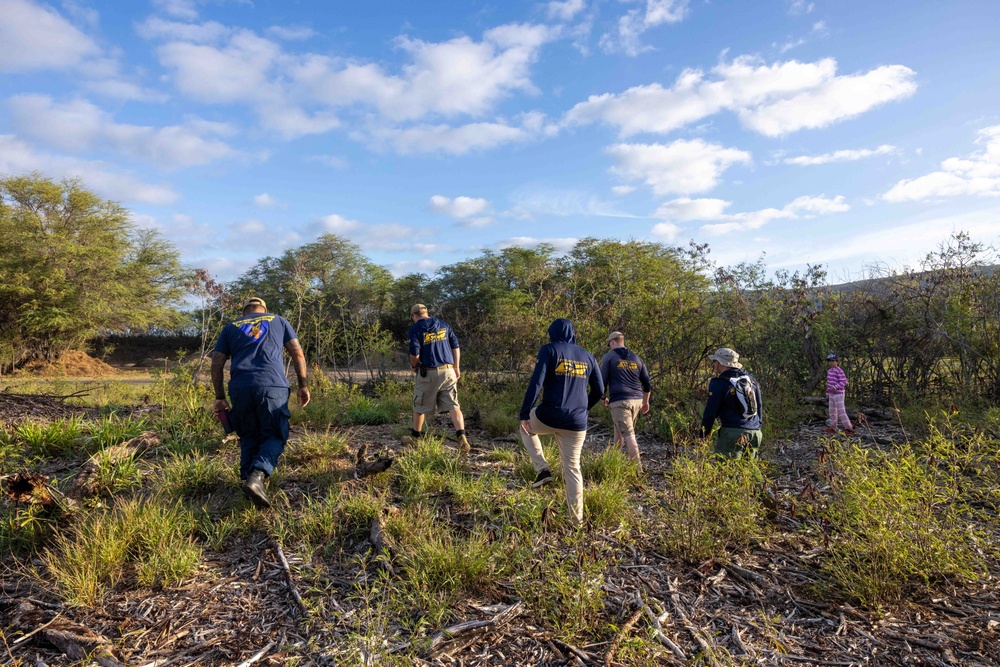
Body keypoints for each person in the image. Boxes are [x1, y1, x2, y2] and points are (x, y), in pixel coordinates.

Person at [211, 297, 310, 508]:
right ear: (264, 309)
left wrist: (220, 396)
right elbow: (297, 353)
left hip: (240, 388)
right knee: (275, 434)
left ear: (244, 311)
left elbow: (217, 362)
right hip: (272, 386)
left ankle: (248, 484)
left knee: (248, 435)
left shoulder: (231, 327)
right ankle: (257, 475)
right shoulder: (279, 321)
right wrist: (303, 385)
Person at [519, 318, 604, 525]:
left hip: (548, 415)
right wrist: (583, 409)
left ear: (553, 332)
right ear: (572, 333)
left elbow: (537, 382)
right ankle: (576, 520)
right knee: (573, 468)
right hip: (576, 423)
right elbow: (600, 390)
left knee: (527, 428)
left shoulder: (549, 350)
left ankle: (542, 469)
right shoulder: (588, 356)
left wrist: (524, 412)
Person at [404, 303, 470, 455]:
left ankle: (416, 438)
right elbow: (455, 346)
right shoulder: (443, 324)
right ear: (426, 313)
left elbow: (415, 353)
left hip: (429, 372)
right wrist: (456, 367)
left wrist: (414, 366)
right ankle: (461, 436)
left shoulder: (415, 329)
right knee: (453, 405)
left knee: (419, 405)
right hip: (448, 370)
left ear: (414, 316)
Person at [599, 331, 651, 469]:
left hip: (620, 401)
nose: (609, 346)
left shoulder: (609, 357)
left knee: (629, 435)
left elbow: (601, 381)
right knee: (620, 432)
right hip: (637, 401)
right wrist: (646, 401)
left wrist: (603, 397)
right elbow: (647, 383)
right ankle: (611, 463)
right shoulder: (636, 358)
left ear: (613, 342)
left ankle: (637, 469)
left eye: (609, 344)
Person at [701, 347, 763, 458]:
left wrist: (704, 433)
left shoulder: (719, 383)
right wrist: (757, 426)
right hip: (755, 432)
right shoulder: (751, 380)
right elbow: (759, 406)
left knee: (727, 470)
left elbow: (710, 411)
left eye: (715, 361)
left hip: (732, 433)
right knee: (750, 472)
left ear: (720, 363)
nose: (714, 364)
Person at [824, 353, 853, 434]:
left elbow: (844, 381)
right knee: (832, 411)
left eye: (832, 361)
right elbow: (829, 383)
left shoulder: (839, 370)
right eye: (829, 361)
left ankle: (849, 428)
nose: (831, 363)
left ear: (836, 361)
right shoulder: (829, 371)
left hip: (838, 393)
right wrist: (827, 392)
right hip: (831, 394)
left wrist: (836, 387)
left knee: (841, 411)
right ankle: (833, 427)